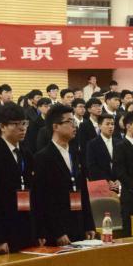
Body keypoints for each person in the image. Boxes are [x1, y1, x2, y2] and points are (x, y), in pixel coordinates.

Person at [0, 101, 37, 254]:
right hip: (5, 231)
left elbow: (34, 194)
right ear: (2, 126)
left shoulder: (27, 154)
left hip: (28, 228)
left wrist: (39, 230)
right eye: (15, 124)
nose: (22, 128)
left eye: (24, 123)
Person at [32, 104, 94, 246]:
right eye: (69, 122)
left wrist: (89, 224)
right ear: (55, 127)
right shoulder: (43, 157)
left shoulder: (75, 154)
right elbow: (43, 199)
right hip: (57, 231)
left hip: (78, 224)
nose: (74, 126)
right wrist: (57, 231)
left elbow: (83, 191)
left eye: (74, 121)